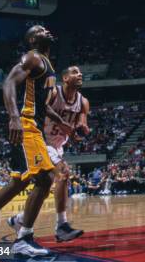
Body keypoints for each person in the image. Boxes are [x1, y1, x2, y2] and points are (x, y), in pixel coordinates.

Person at [0, 25, 71, 257]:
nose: (46, 30)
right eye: (40, 29)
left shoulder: (47, 65)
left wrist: (60, 120)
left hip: (33, 125)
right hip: (26, 125)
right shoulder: (33, 57)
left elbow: (43, 104)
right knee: (45, 178)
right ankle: (24, 239)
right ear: (32, 39)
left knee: (19, 182)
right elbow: (9, 82)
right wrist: (14, 117)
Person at [7, 66, 89, 242]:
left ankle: (19, 220)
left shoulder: (83, 101)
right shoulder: (53, 92)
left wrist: (81, 130)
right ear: (65, 78)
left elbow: (81, 125)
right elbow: (41, 108)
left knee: (44, 189)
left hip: (58, 145)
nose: (80, 74)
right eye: (75, 72)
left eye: (80, 72)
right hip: (41, 139)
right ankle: (61, 226)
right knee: (63, 173)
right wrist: (61, 123)